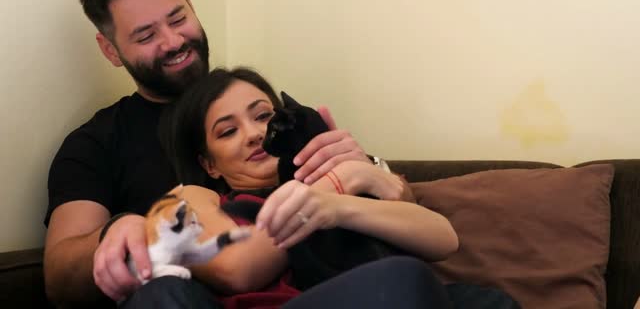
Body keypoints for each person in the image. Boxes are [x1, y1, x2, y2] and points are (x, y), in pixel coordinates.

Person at [43, 0, 370, 307]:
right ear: (111, 50)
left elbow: (388, 210)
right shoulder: (94, 144)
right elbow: (59, 279)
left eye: (177, 18)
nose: (173, 41)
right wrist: (122, 230)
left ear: (192, 7)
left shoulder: (262, 108)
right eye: (146, 35)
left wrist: (367, 173)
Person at [158, 67, 460, 308]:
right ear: (209, 164)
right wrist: (334, 187)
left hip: (391, 292)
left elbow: (444, 240)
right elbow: (238, 268)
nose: (254, 134)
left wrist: (348, 189)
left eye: (263, 116)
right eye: (228, 131)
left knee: (483, 300)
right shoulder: (211, 203)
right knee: (400, 279)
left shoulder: (345, 175)